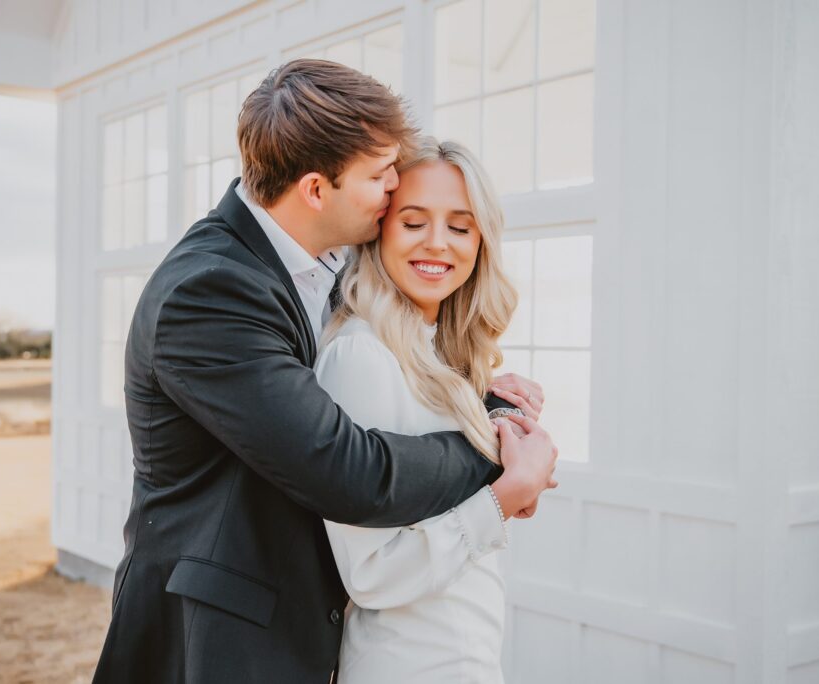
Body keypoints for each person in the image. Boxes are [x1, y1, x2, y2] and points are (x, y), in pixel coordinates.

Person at [92, 59, 557, 684]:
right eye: (379, 175)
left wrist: (487, 404)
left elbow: (408, 373)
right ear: (316, 189)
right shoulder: (208, 291)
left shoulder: (325, 268)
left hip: (313, 627)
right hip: (221, 636)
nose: (395, 187)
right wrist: (498, 456)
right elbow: (348, 471)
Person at [315, 138, 557, 683]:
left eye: (460, 225)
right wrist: (503, 497)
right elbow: (370, 573)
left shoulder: (437, 354)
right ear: (379, 232)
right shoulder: (360, 356)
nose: (438, 244)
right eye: (414, 222)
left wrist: (490, 418)